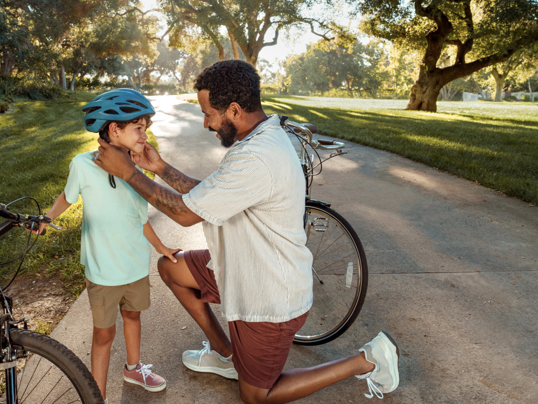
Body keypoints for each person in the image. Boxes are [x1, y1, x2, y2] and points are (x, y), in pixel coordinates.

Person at [94, 61, 400, 403]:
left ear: (234, 110)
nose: (206, 123)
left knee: (256, 396)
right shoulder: (259, 138)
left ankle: (367, 360)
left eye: (209, 114)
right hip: (240, 267)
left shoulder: (256, 156)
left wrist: (128, 173)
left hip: (269, 297)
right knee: (171, 268)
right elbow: (209, 194)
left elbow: (185, 213)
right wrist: (160, 168)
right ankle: (227, 357)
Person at [37, 89, 178, 401]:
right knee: (104, 333)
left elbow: (140, 218)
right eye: (139, 129)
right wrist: (46, 218)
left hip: (134, 264)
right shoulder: (82, 165)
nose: (145, 136)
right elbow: (67, 197)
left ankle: (133, 367)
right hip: (103, 270)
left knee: (133, 316)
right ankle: (95, 395)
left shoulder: (135, 169)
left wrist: (161, 247)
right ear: (115, 129)